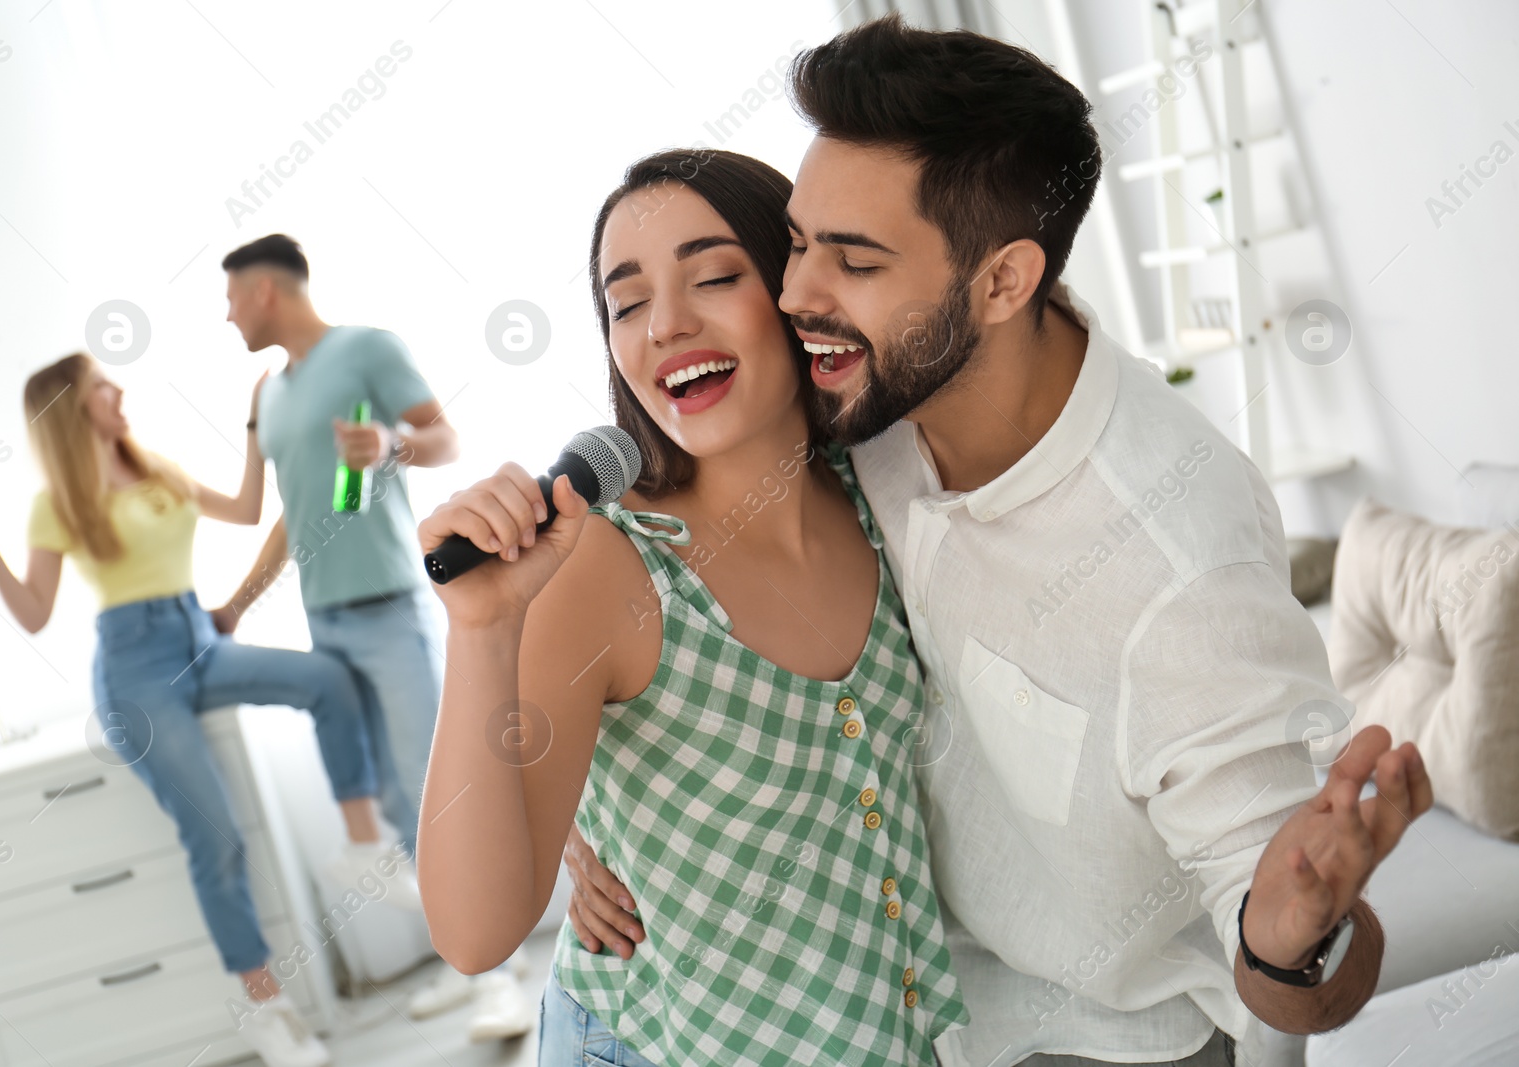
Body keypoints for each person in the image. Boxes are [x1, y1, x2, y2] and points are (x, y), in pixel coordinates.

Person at [564, 17, 1434, 1067]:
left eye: (855, 259)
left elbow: (1289, 959)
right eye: (798, 240)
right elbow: (641, 514)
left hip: (1095, 1038)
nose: (795, 294)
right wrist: (574, 785)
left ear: (1002, 282)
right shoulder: (863, 397)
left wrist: (1295, 942)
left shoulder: (1175, 567)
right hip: (893, 1009)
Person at [414, 149, 971, 1066]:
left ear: (796, 295)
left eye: (713, 276)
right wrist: (481, 627)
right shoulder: (606, 567)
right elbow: (476, 936)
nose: (665, 325)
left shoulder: (881, 488)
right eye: (626, 303)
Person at [0, 352, 420, 1067]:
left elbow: (244, 507)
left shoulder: (155, 468)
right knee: (218, 836)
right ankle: (267, 1008)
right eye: (101, 386)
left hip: (198, 639)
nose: (118, 391)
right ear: (73, 408)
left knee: (329, 680)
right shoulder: (60, 505)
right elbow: (33, 613)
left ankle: (362, 846)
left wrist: (254, 429)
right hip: (135, 671)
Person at [208, 234, 531, 1038]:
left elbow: (444, 437)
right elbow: (294, 510)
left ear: (266, 292)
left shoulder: (366, 351)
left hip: (390, 601)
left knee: (438, 790)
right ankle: (469, 961)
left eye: (231, 297)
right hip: (326, 619)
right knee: (393, 801)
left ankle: (505, 976)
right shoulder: (270, 394)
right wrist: (240, 602)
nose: (227, 313)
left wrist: (392, 445)